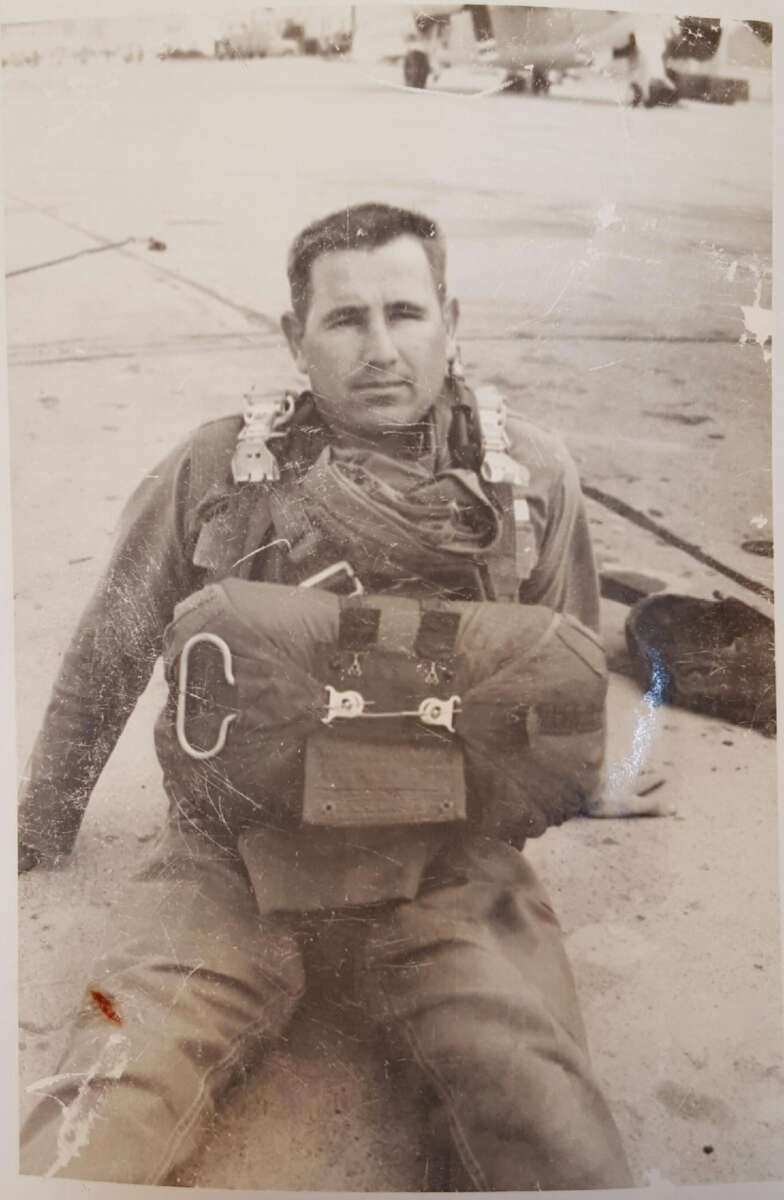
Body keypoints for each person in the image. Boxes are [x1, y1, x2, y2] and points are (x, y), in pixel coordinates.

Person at [18, 203, 632, 1190]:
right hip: (234, 853)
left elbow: (563, 673)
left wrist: (556, 794)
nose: (380, 348)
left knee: (546, 1118)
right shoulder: (217, 465)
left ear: (449, 321)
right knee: (103, 1102)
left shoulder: (531, 479)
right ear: (294, 337)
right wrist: (40, 825)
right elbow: (109, 649)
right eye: (345, 319)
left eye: (406, 312)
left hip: (448, 860)